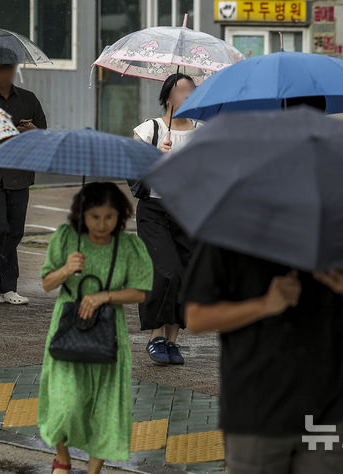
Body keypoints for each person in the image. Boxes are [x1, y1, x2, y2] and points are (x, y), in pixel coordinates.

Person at [182, 242, 343, 474]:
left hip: (327, 407)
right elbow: (196, 317)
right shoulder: (230, 234)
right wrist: (264, 305)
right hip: (256, 410)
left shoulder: (341, 232)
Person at [38, 182, 153, 474]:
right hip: (67, 331)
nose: (102, 225)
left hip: (108, 335)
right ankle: (62, 456)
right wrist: (66, 269)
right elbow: (47, 283)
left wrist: (106, 295)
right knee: (64, 404)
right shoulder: (66, 239)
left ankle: (93, 471)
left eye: (109, 217)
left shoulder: (129, 246)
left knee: (106, 409)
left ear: (120, 216)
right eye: (94, 217)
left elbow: (140, 292)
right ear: (82, 214)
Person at [0, 47, 47, 305]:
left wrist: (33, 131)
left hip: (19, 174)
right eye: (0, 69)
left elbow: (42, 136)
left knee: (14, 231)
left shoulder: (28, 99)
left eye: (10, 68)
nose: (6, 74)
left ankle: (8, 288)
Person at [131, 73, 198, 366]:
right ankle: (155, 336)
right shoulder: (149, 130)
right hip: (155, 210)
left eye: (192, 90)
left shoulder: (203, 132)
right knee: (164, 270)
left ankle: (173, 340)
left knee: (184, 275)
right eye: (182, 89)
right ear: (168, 97)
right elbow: (132, 171)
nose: (188, 94)